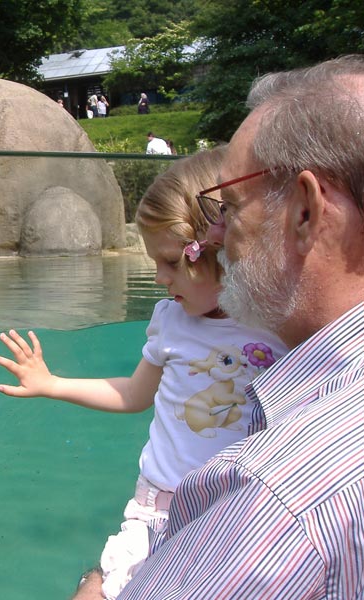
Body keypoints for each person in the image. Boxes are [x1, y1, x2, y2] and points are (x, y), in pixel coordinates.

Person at [78, 54, 364, 599]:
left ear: (305, 211)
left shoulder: (277, 502)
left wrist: (93, 588)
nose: (213, 238)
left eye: (228, 208)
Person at [0, 149, 288, 599]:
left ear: (222, 249)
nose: (158, 278)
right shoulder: (171, 321)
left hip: (239, 510)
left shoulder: (279, 325)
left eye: (171, 262)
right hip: (159, 509)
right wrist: (52, 384)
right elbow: (133, 394)